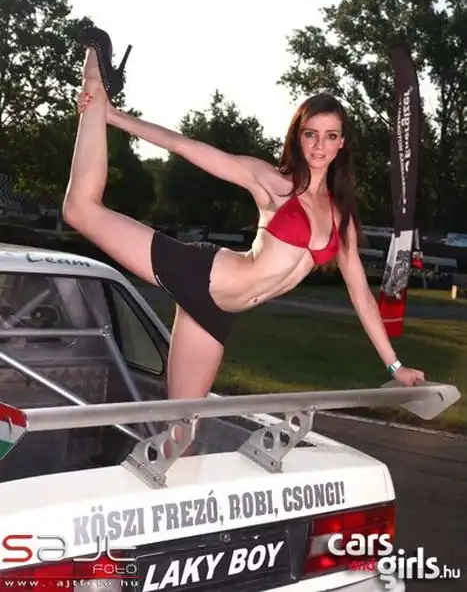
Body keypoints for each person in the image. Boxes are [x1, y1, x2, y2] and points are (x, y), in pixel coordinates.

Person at [63, 25, 425, 408]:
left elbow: (362, 297)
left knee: (181, 425)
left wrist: (395, 367)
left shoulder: (341, 218)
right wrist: (112, 116)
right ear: (298, 136)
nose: (320, 145)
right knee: (78, 209)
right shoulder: (273, 183)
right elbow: (184, 146)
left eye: (331, 135)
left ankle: (99, 97)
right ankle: (95, 79)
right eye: (311, 134)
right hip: (198, 272)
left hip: (217, 310)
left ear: (342, 142)